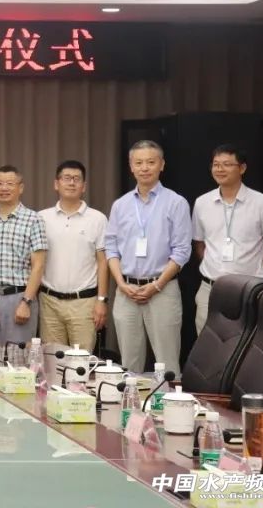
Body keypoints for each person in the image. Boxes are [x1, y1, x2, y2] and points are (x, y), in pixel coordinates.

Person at [105, 140, 191, 375]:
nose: (144, 168)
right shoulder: (120, 205)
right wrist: (121, 284)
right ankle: (130, 401)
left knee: (167, 362)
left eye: (151, 162)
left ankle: (168, 400)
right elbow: (111, 248)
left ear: (161, 165)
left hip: (162, 290)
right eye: (139, 163)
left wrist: (157, 285)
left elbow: (182, 251)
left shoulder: (176, 202)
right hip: (126, 291)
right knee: (129, 364)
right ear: (131, 166)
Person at [191, 144, 263, 334]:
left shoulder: (262, 203)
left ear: (242, 168)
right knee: (207, 344)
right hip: (210, 289)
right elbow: (199, 244)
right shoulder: (202, 203)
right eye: (216, 164)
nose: (220, 169)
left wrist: (259, 279)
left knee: (246, 343)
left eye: (227, 164)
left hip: (248, 290)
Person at [37, 160, 108, 352]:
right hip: (49, 302)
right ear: (56, 184)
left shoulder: (98, 219)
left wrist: (102, 300)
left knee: (81, 361)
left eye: (77, 179)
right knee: (52, 360)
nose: (71, 183)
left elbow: (103, 262)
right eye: (66, 178)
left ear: (83, 186)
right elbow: (34, 262)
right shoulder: (41, 218)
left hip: (84, 303)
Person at [0, 165, 47, 345]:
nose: (4, 188)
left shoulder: (33, 219)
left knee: (18, 356)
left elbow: (38, 265)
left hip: (18, 296)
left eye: (9, 183)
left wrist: (26, 301)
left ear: (20, 188)